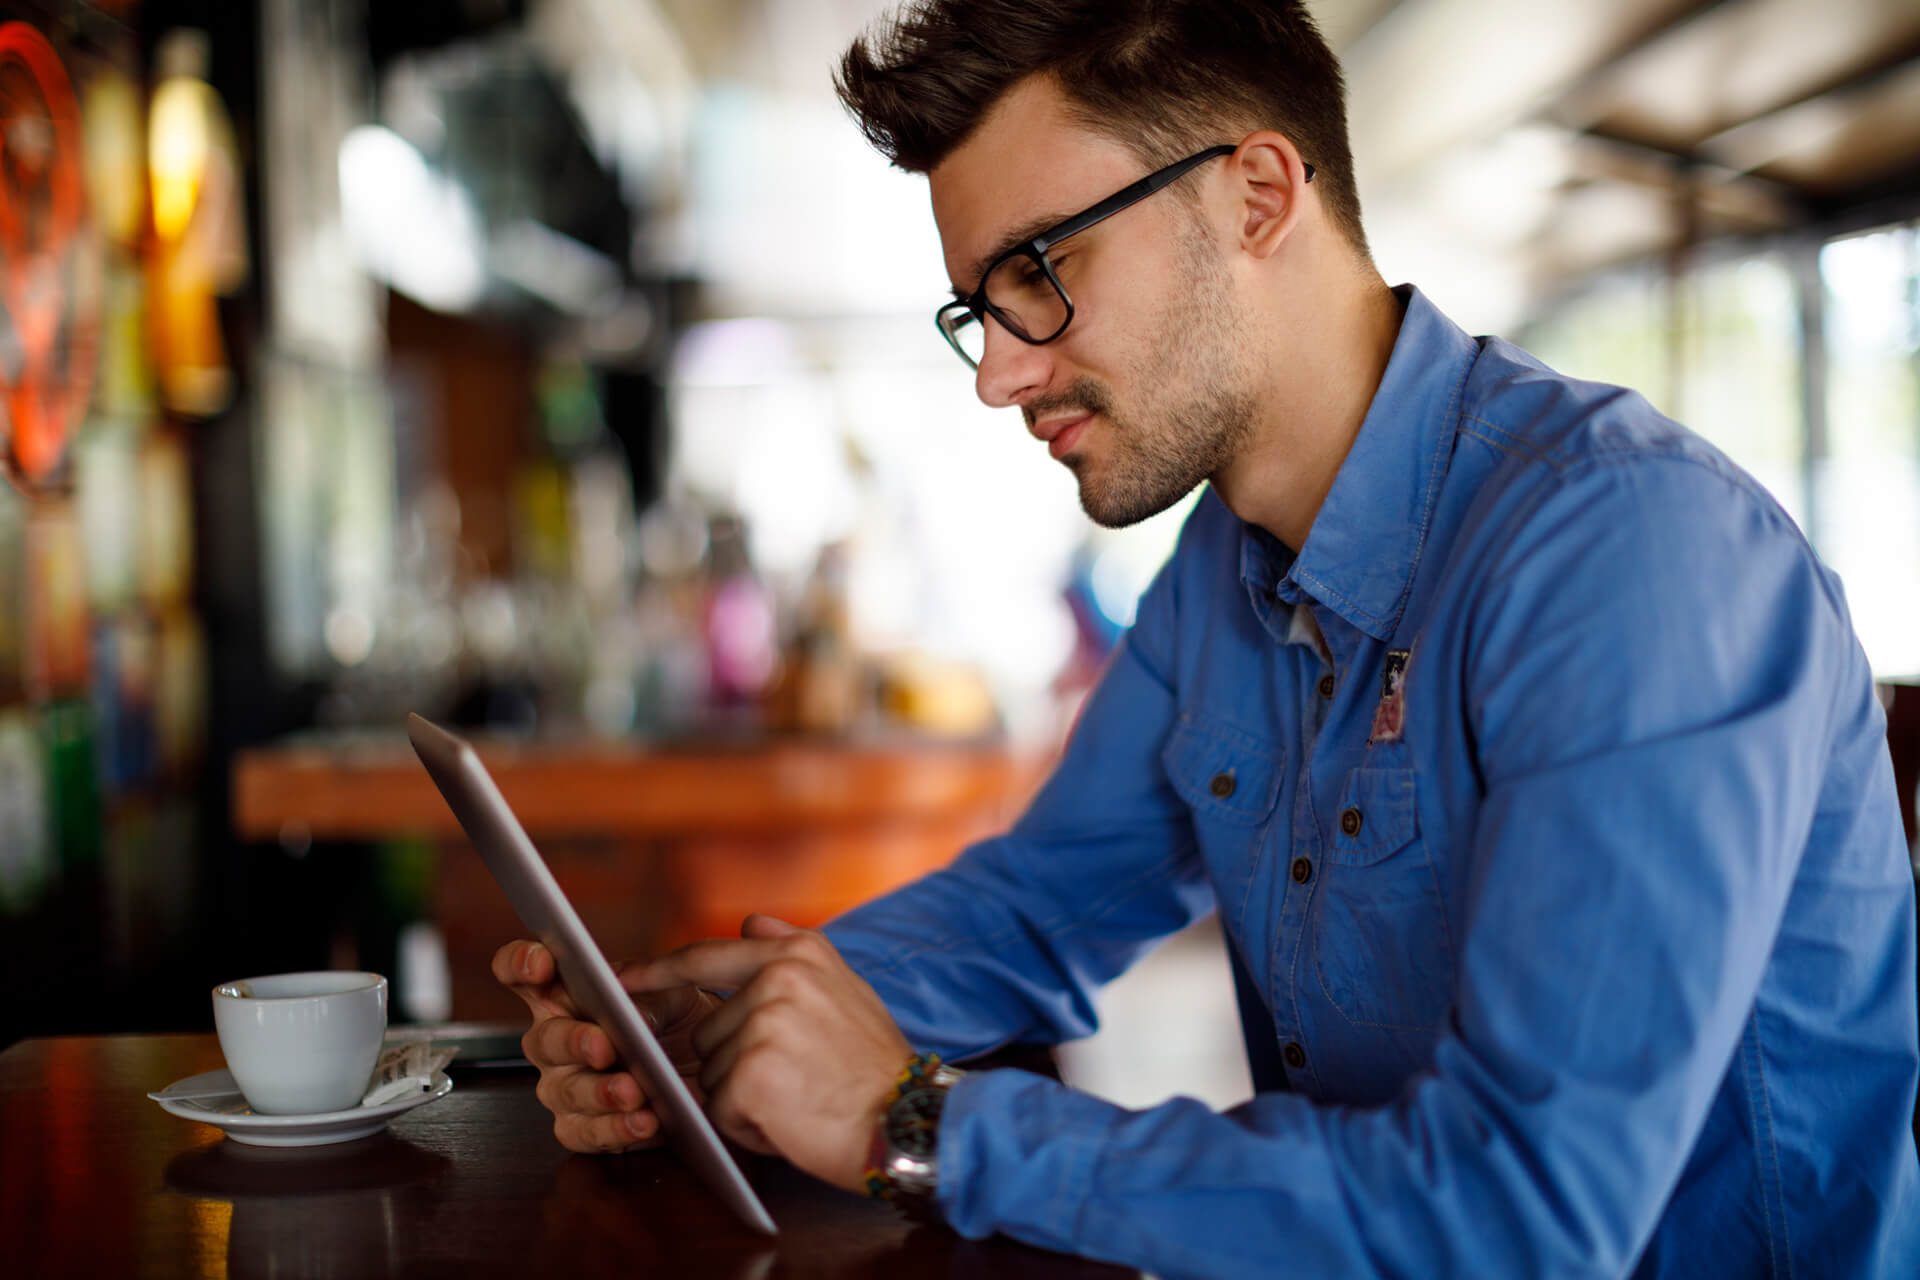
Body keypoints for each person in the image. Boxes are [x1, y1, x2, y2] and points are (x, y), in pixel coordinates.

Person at [494, 2, 1920, 1274]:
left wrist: (918, 1121)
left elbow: (1525, 1218)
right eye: (975, 309)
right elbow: (1039, 908)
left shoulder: (1627, 551)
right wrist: (731, 1025)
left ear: (1255, 194)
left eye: (1039, 269)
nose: (999, 374)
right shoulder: (1222, 573)